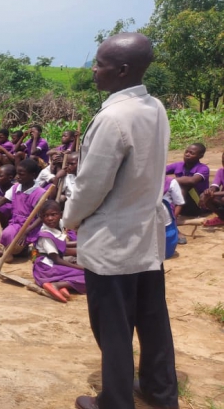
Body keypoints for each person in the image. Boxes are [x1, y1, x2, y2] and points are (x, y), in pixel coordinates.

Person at [64, 33, 178, 409]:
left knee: (113, 327)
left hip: (112, 243)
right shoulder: (154, 107)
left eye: (100, 63)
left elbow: (91, 187)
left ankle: (115, 400)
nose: (94, 70)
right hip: (146, 239)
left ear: (123, 70)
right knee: (152, 321)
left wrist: (70, 218)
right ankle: (160, 393)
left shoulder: (112, 118)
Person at [32, 200, 85, 303]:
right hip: (46, 268)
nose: (50, 218)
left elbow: (62, 244)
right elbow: (56, 259)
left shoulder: (59, 224)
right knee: (87, 276)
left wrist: (83, 243)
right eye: (46, 216)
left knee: (80, 267)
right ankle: (56, 284)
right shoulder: (45, 235)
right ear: (42, 218)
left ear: (60, 215)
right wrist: (81, 268)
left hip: (54, 263)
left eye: (53, 215)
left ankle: (64, 284)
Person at [0, 159, 47, 260]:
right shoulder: (15, 188)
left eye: (22, 174)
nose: (17, 177)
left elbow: (42, 216)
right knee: (7, 234)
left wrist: (26, 231)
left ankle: (27, 248)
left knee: (38, 250)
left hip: (33, 225)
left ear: (33, 175)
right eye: (17, 174)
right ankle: (20, 250)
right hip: (16, 223)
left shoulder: (40, 193)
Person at [165, 143, 209, 217]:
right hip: (183, 203)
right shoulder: (178, 165)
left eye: (191, 153)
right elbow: (159, 172)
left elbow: (192, 181)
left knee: (185, 185)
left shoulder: (203, 168)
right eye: (186, 152)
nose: (187, 154)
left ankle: (174, 217)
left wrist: (169, 180)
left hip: (198, 204)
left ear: (200, 156)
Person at [200, 152, 224, 226]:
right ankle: (222, 218)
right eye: (223, 161)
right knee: (207, 197)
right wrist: (209, 192)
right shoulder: (221, 171)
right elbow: (214, 186)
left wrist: (213, 193)